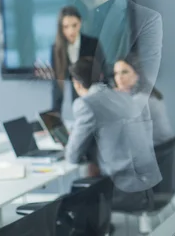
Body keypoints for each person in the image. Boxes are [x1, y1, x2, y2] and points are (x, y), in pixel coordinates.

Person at [65, 57, 162, 194]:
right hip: (147, 176)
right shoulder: (124, 96)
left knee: (79, 187)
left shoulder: (85, 104)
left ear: (77, 83)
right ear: (101, 76)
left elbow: (72, 156)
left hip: (124, 184)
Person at [34, 5, 101, 114]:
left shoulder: (93, 44)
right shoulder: (56, 49)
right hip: (77, 102)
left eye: (74, 25)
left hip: (95, 99)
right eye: (66, 27)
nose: (71, 31)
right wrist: (55, 116)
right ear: (60, 27)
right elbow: (57, 84)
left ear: (80, 22)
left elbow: (103, 75)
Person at [112, 55, 174, 145]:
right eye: (116, 73)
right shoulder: (147, 94)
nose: (119, 77)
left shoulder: (139, 100)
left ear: (137, 75)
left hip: (154, 153)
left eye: (124, 72)